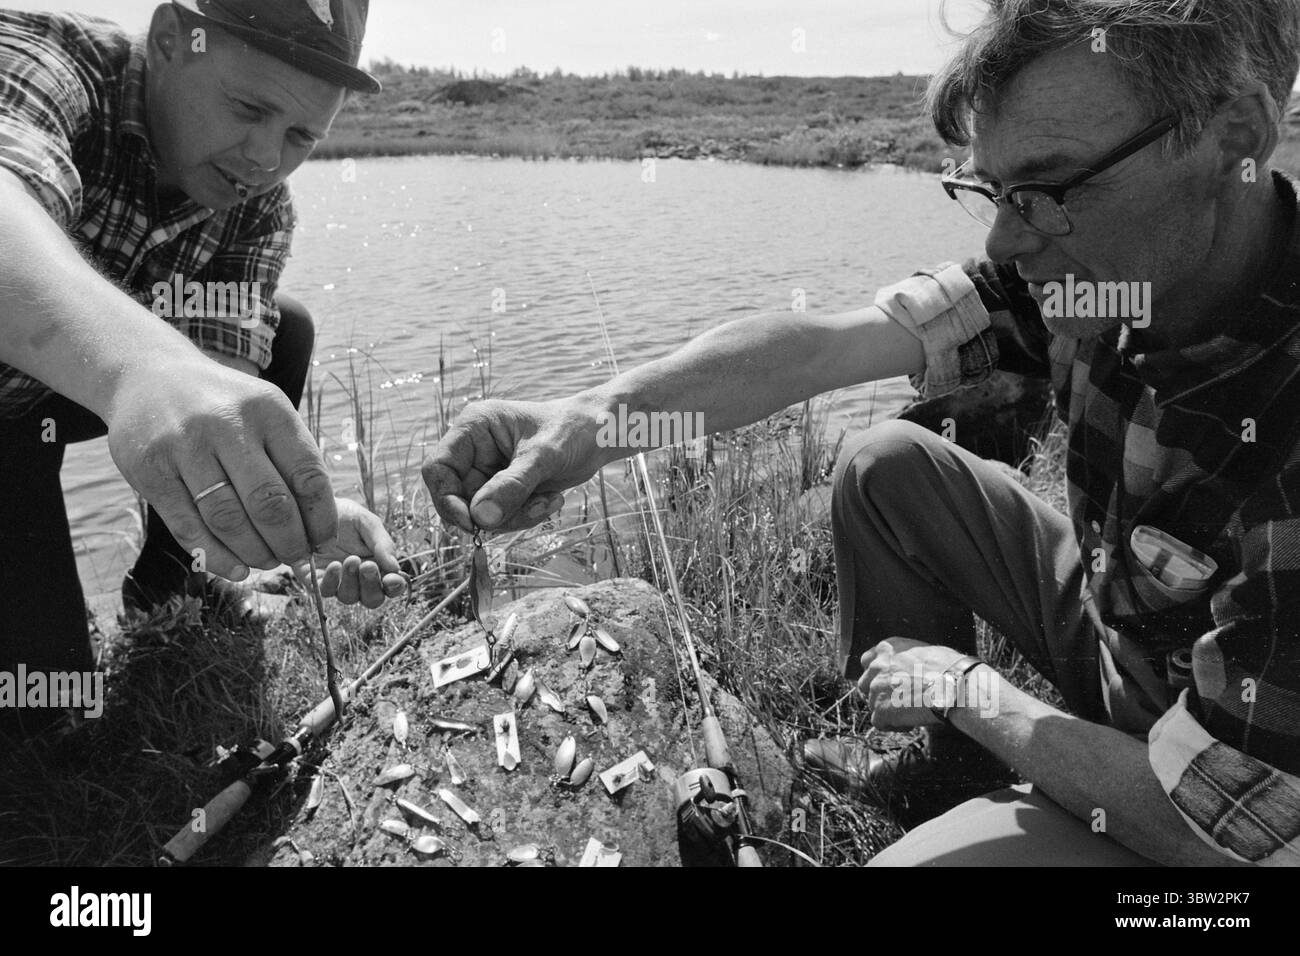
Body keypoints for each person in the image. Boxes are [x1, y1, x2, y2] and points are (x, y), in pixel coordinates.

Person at [422, 0, 1300, 866]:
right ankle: (947, 769)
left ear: (1235, 137)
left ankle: (995, 748)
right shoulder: (1096, 283)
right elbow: (815, 350)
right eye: (995, 190)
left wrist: (968, 691)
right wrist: (586, 422)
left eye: (1051, 187)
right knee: (888, 464)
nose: (1005, 237)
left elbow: (1221, 836)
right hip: (1132, 631)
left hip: (1202, 806)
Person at [0, 0, 406, 739]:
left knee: (284, 337)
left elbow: (220, 385)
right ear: (167, 40)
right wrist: (141, 370)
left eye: (300, 135)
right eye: (250, 107)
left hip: (63, 391)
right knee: (42, 705)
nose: (265, 157)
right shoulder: (40, 59)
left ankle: (171, 583)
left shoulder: (256, 206)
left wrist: (288, 515)